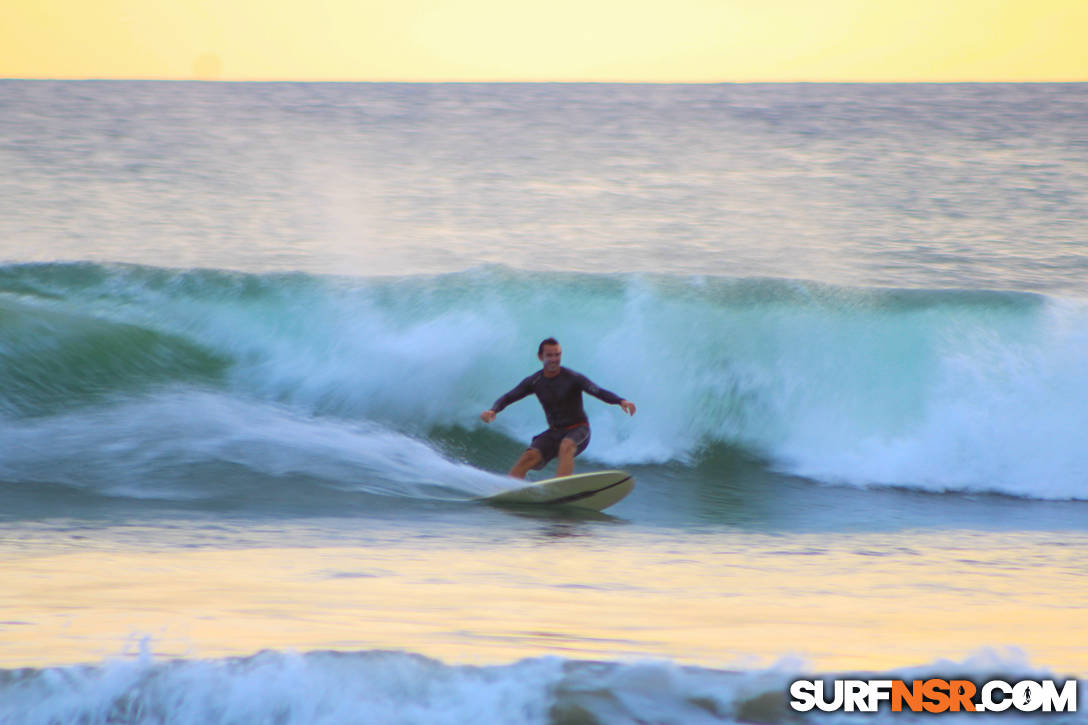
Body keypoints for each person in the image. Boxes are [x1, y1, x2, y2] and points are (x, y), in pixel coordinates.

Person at [480, 337, 636, 478]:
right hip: (554, 433)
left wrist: (621, 401)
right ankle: (508, 490)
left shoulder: (573, 378)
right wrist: (494, 410)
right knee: (528, 457)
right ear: (540, 357)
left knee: (566, 445)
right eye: (550, 355)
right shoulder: (534, 381)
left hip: (579, 430)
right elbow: (510, 396)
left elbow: (598, 391)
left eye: (557, 354)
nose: (554, 359)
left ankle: (561, 487)